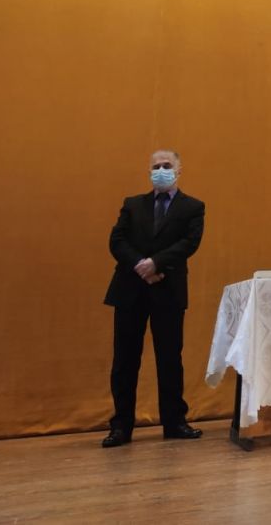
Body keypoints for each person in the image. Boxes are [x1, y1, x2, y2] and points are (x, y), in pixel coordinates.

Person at [102, 149, 206, 448]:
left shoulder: (193, 207)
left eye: (167, 165)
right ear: (149, 171)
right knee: (124, 360)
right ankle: (121, 426)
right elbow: (117, 241)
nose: (161, 170)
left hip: (168, 290)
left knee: (170, 359)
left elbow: (189, 243)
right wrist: (141, 266)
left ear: (179, 169)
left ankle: (174, 422)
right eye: (156, 166)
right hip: (130, 289)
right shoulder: (132, 204)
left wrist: (156, 264)